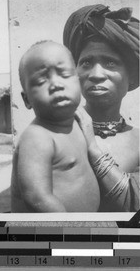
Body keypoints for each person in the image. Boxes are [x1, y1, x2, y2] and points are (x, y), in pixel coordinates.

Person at [63, 4, 140, 212]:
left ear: (131, 76)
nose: (96, 74)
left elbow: (139, 205)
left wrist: (92, 148)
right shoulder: (55, 135)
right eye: (86, 62)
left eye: (111, 63)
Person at [10, 40, 101, 212]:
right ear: (27, 99)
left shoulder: (78, 122)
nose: (56, 85)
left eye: (64, 74)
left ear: (78, 82)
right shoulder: (37, 137)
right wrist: (67, 227)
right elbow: (36, 197)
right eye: (41, 80)